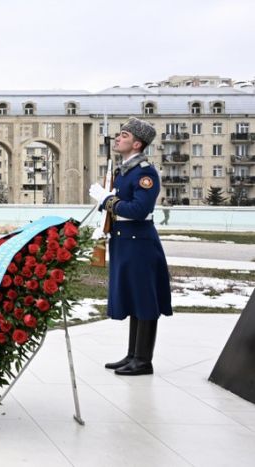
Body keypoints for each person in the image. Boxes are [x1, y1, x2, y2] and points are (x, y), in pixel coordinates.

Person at [89, 118, 172, 376]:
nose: (117, 138)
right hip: (124, 240)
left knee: (145, 299)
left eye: (123, 135)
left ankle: (144, 361)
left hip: (139, 242)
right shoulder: (123, 170)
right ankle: (133, 355)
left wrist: (108, 200)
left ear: (137, 143)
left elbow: (138, 210)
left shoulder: (144, 173)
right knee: (135, 298)